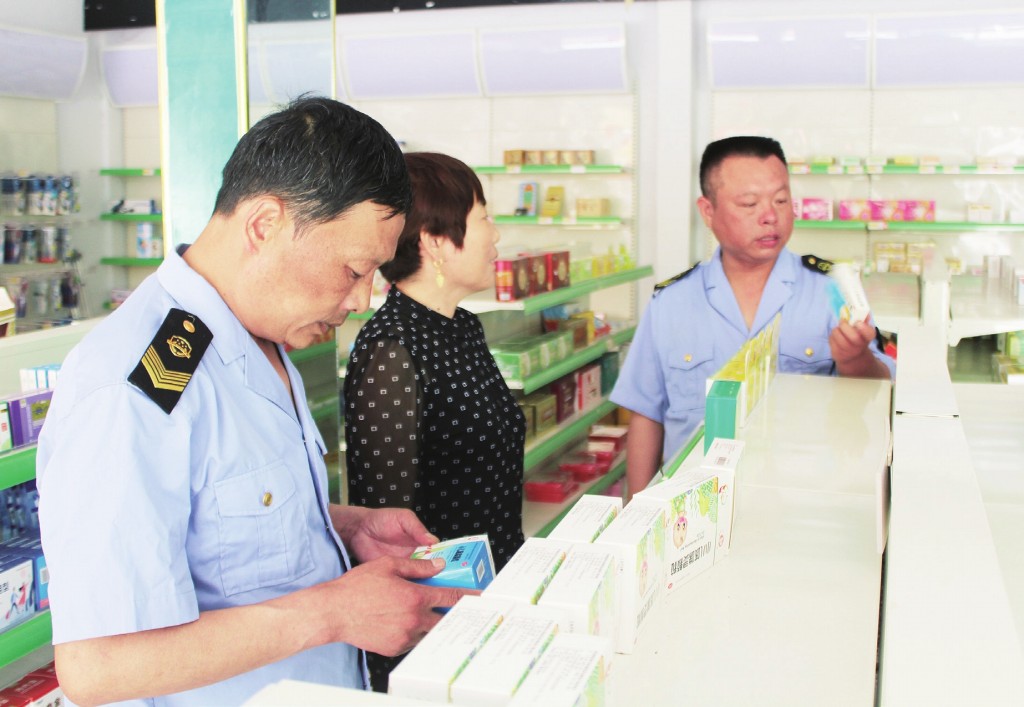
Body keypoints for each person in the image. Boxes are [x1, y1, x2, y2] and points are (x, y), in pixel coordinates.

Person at [35, 97, 468, 706]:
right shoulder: (136, 386)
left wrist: (341, 526)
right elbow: (99, 665)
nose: (362, 300)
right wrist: (333, 613)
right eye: (353, 270)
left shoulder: (256, 337)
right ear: (265, 224)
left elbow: (214, 511)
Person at [611, 135, 895, 496]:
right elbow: (646, 414)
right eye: (749, 203)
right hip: (693, 507)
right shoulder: (670, 302)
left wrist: (855, 359)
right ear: (708, 211)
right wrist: (638, 508)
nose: (770, 216)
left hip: (803, 498)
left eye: (781, 200)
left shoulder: (831, 291)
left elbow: (880, 390)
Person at [344, 151, 527, 692]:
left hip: (494, 591)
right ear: (434, 241)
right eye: (483, 218)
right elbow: (387, 525)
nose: (496, 234)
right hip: (435, 620)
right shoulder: (391, 350)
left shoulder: (463, 328)